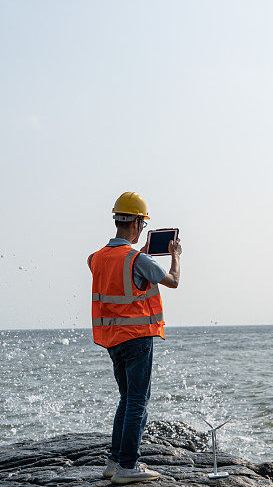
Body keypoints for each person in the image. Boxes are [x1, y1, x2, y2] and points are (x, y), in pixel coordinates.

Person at [87, 191, 181, 484]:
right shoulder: (137, 258)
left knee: (126, 400)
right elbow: (173, 281)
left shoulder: (96, 258)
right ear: (137, 224)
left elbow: (113, 271)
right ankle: (128, 466)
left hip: (112, 340)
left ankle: (114, 462)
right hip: (138, 338)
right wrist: (175, 255)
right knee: (137, 402)